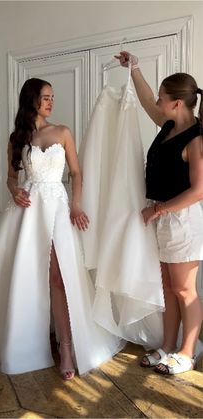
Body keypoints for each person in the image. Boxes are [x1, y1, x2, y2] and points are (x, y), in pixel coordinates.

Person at [0, 78, 122, 380]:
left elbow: (77, 173)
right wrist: (13, 191)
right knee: (28, 276)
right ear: (32, 100)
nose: (51, 102)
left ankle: (66, 346)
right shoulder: (17, 138)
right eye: (46, 97)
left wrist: (76, 206)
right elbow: (11, 178)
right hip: (27, 213)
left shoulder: (63, 132)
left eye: (53, 97)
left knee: (58, 277)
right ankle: (27, 341)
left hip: (57, 208)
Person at [115, 51, 203, 374]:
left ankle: (188, 352)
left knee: (185, 289)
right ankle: (167, 346)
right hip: (163, 216)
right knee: (168, 288)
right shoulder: (168, 125)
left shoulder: (196, 138)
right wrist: (135, 68)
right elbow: (147, 102)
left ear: (177, 103)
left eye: (163, 98)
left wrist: (159, 210)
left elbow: (199, 190)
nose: (159, 102)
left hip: (182, 219)